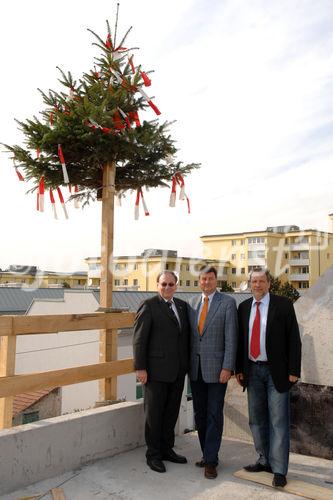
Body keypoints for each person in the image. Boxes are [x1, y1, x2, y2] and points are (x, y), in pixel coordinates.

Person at [236, 268, 301, 488]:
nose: (258, 285)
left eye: (262, 281)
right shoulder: (244, 307)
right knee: (256, 419)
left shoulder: (283, 305)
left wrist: (294, 370)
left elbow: (294, 339)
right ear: (250, 284)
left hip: (278, 373)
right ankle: (264, 460)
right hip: (252, 370)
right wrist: (239, 369)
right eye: (254, 281)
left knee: (278, 422)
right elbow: (240, 341)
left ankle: (280, 469)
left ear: (268, 284)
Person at [133, 270, 190, 473]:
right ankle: (154, 455)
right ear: (157, 285)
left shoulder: (182, 306)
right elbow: (139, 339)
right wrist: (140, 368)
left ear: (176, 285)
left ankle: (167, 449)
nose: (167, 287)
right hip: (155, 372)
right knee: (154, 415)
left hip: (177, 372)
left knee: (171, 413)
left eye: (171, 284)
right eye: (163, 284)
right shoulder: (148, 305)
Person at [188, 266, 238, 479]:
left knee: (214, 414)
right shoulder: (191, 304)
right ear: (199, 281)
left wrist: (228, 367)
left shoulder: (227, 303)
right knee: (199, 414)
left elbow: (231, 338)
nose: (206, 282)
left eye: (210, 279)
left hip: (218, 370)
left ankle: (211, 460)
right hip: (196, 370)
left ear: (216, 281)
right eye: (203, 279)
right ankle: (206, 453)